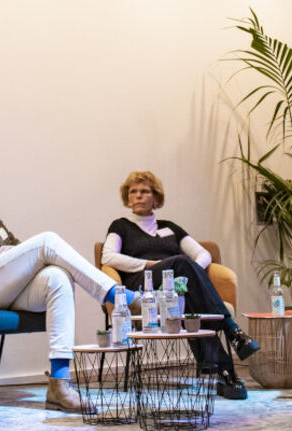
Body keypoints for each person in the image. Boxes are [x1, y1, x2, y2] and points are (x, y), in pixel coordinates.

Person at [0, 160, 139, 413]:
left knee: (57, 276)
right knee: (48, 240)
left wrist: (11, 252)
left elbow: (24, 253)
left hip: (6, 287)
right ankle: (121, 296)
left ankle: (59, 383)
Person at [101, 170, 260, 399]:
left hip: (174, 286)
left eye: (144, 191)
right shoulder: (121, 226)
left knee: (190, 295)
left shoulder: (170, 227)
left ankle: (225, 375)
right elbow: (108, 257)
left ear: (155, 198)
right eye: (133, 192)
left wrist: (187, 276)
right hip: (143, 284)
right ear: (127, 198)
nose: (137, 196)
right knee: (182, 263)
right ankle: (232, 329)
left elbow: (204, 255)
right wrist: (150, 264)